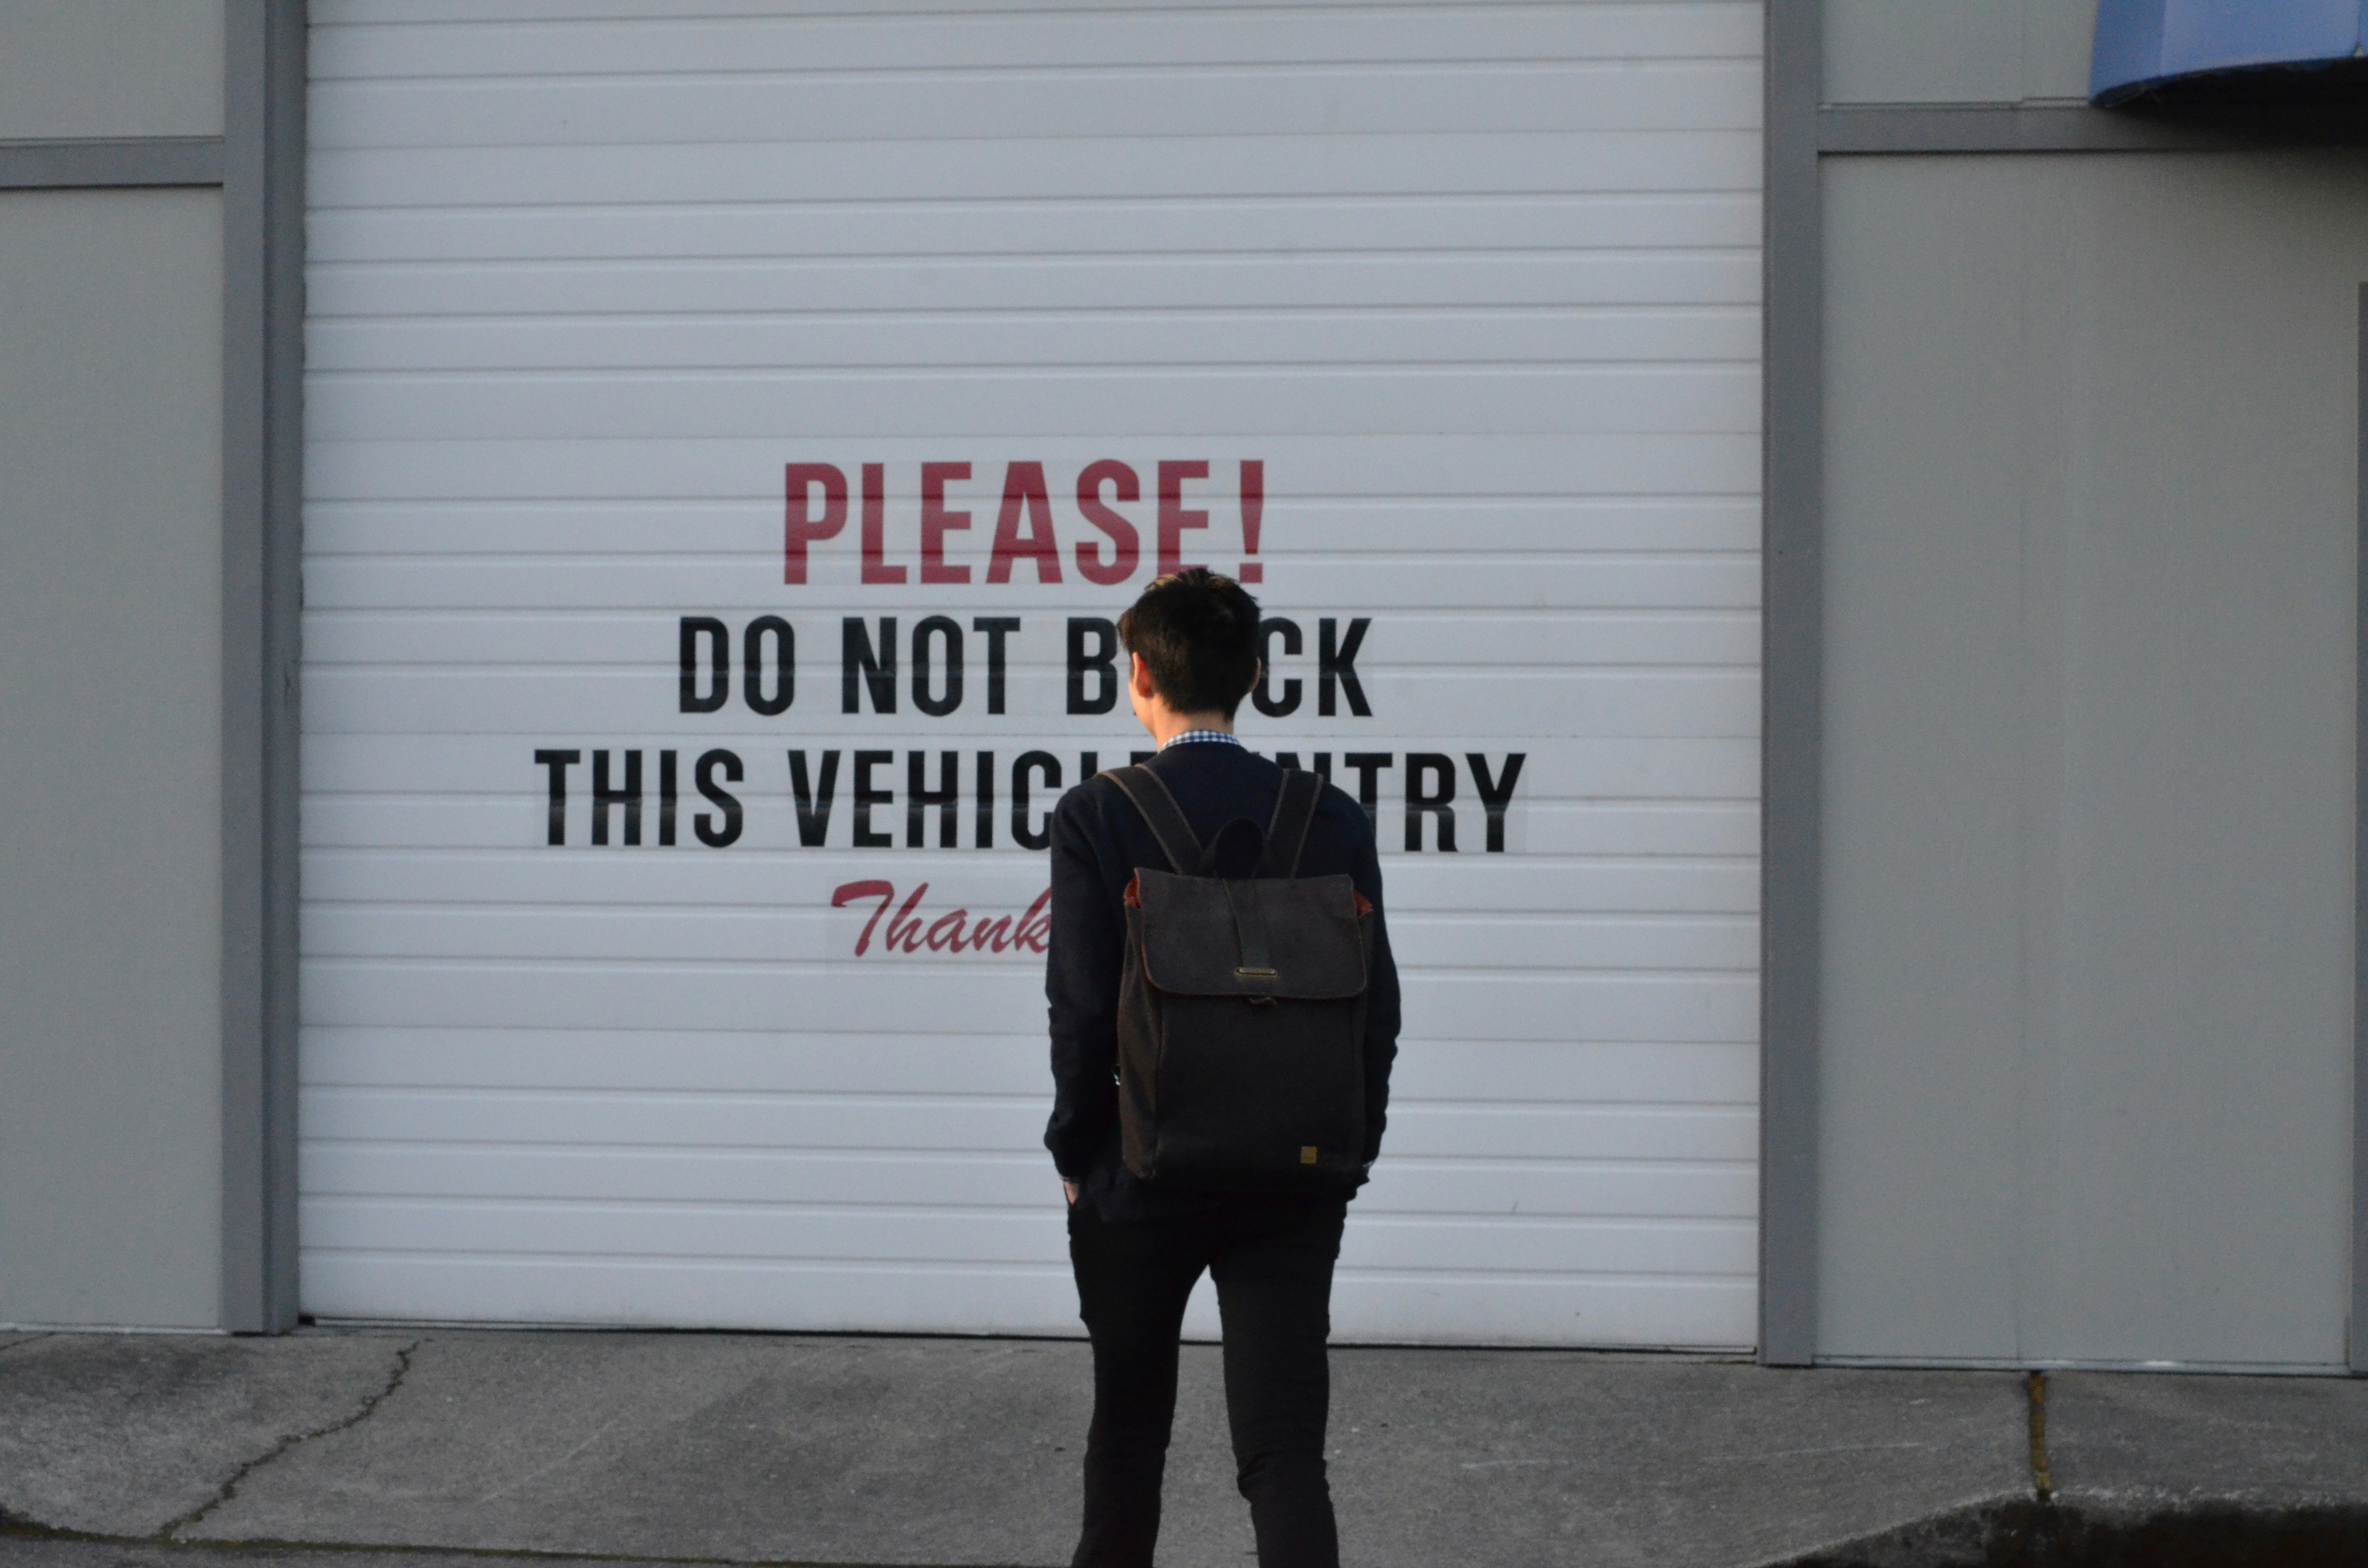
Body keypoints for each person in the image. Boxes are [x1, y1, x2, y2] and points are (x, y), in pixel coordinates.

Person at [1044, 567, 1402, 1568]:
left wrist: (1081, 1153)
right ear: (1253, 673)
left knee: (1127, 1445)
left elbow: (1079, 1010)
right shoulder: (1329, 816)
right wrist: (1346, 1149)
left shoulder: (1099, 815)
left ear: (1139, 675)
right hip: (1293, 1176)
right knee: (1285, 1456)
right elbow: (1378, 1006)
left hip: (1137, 1174)